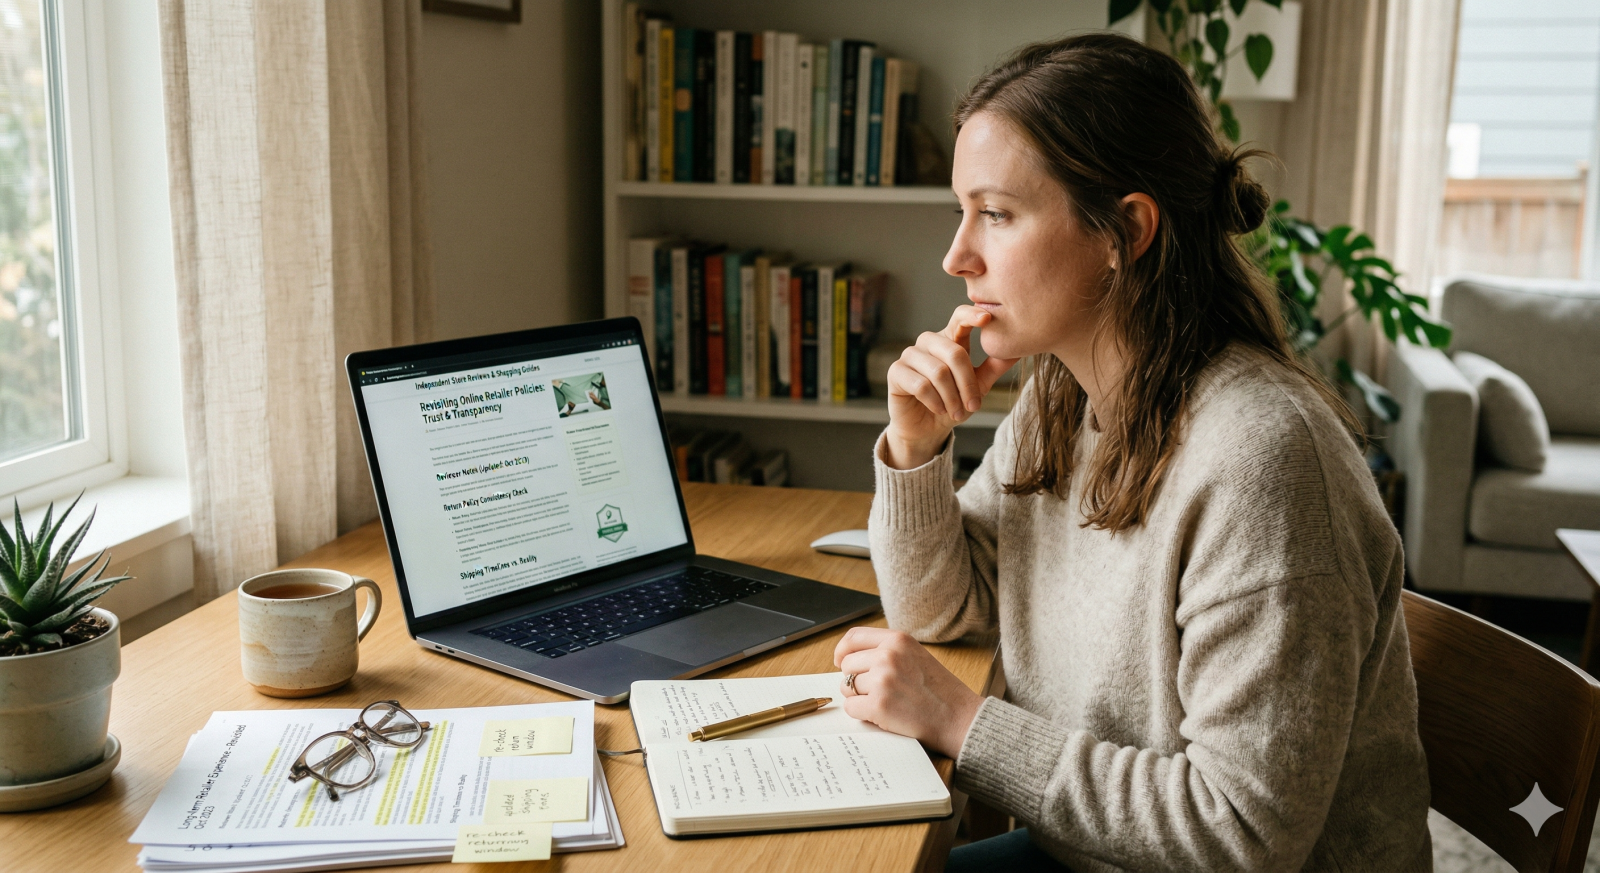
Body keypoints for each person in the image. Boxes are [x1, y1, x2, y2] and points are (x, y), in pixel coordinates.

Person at [831, 33, 1432, 872]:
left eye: (996, 214)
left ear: (1126, 230)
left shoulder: (1264, 458)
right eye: (961, 212)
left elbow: (1243, 831)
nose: (956, 255)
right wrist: (916, 448)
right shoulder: (1062, 392)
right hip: (1096, 851)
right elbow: (945, 612)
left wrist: (963, 724)